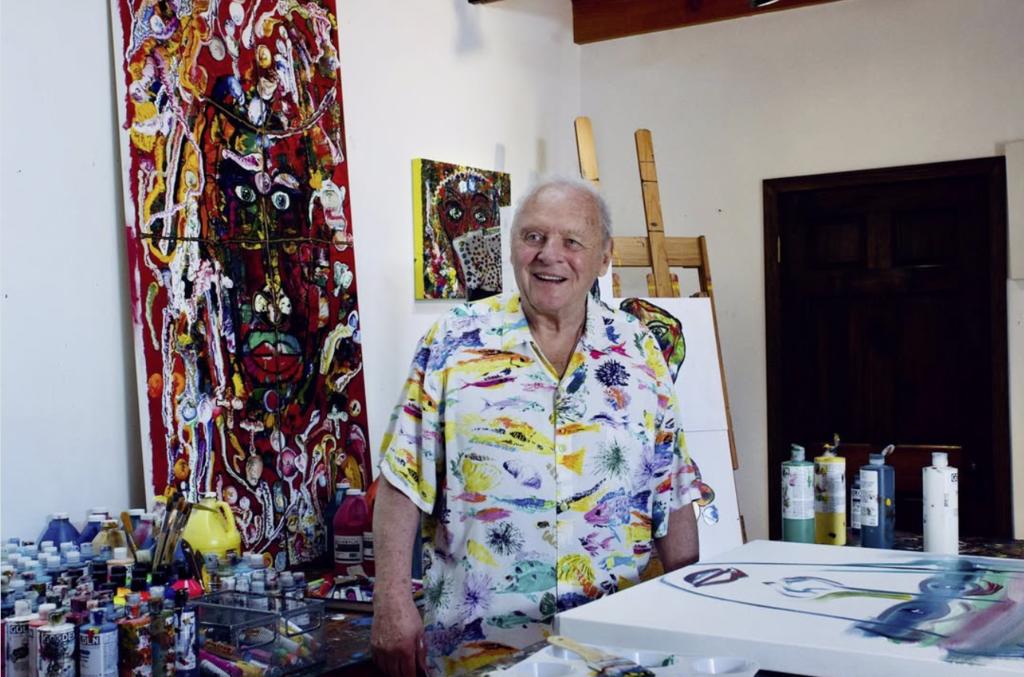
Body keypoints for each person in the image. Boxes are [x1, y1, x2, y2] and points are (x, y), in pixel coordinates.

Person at [371, 178, 702, 675]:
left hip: (613, 648)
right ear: (512, 248)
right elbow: (402, 480)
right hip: (479, 652)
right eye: (533, 237)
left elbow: (671, 489)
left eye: (572, 241)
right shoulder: (454, 343)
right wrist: (391, 599)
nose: (550, 255)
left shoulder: (639, 352)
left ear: (604, 257)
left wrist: (692, 606)